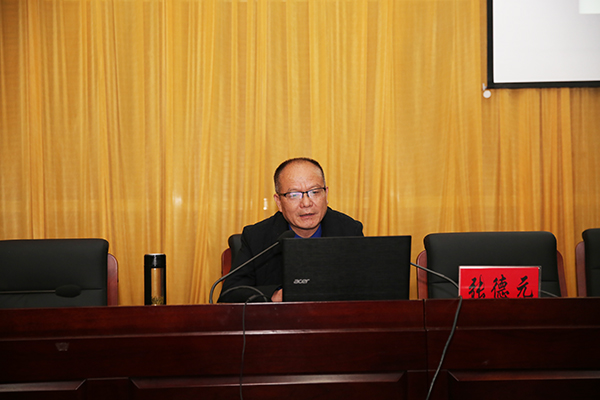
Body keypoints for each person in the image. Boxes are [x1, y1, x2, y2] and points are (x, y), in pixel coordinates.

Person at [218, 157, 364, 303]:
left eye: (314, 192)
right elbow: (230, 294)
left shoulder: (349, 231)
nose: (306, 203)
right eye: (294, 195)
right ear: (279, 202)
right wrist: (273, 296)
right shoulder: (257, 237)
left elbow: (367, 289)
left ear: (326, 194)